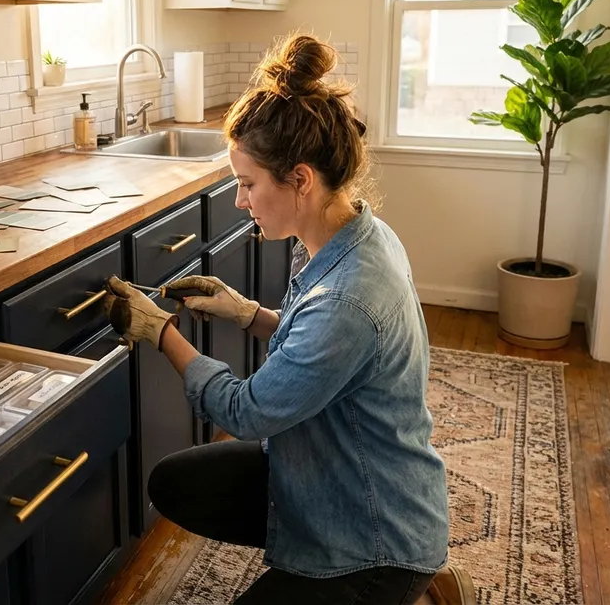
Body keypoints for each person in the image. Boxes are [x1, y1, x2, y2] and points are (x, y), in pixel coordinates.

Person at [102, 32, 474, 604]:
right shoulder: (354, 236)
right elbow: (325, 350)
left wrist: (161, 332)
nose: (239, 201)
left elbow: (246, 411)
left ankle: (410, 586)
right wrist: (247, 314)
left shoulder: (349, 297)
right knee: (174, 485)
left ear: (300, 180)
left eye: (248, 184)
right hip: (338, 466)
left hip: (374, 531)